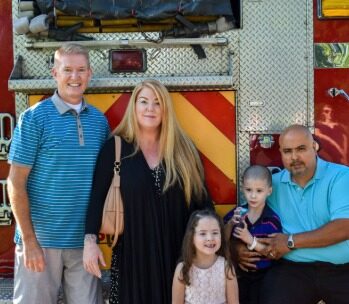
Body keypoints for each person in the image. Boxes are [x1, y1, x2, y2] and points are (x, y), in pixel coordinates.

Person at [83, 79, 213, 304]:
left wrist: (210, 249)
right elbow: (96, 200)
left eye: (157, 103)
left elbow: (202, 203)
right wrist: (90, 242)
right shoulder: (115, 148)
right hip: (132, 259)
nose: (150, 109)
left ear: (166, 110)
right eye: (143, 102)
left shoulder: (183, 150)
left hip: (178, 257)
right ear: (134, 107)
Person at [6, 43, 110, 304]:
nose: (74, 77)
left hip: (83, 244)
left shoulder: (99, 122)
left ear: (89, 74)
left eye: (81, 70)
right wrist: (29, 241)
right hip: (41, 243)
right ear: (55, 73)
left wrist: (93, 237)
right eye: (67, 70)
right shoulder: (33, 119)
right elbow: (15, 182)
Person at [236, 124, 349, 304]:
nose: (294, 157)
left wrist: (290, 241)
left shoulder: (341, 177)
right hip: (292, 270)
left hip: (342, 270)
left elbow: (344, 226)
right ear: (280, 153)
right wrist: (237, 248)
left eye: (301, 149)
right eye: (287, 151)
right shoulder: (273, 184)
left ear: (315, 147)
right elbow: (242, 217)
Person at [225, 165, 282, 304]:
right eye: (248, 190)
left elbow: (274, 253)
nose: (253, 195)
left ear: (269, 191)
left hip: (264, 275)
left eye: (259, 191)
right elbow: (222, 239)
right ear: (242, 188)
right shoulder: (237, 213)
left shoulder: (272, 220)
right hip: (239, 273)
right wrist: (231, 223)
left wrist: (249, 240)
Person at [172, 209, 239, 304]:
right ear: (192, 237)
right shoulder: (183, 269)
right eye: (203, 233)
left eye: (215, 233)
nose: (210, 238)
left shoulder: (226, 267)